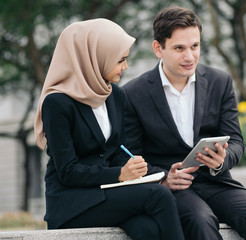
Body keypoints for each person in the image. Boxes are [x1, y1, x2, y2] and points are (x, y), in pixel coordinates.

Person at [122, 6, 246, 240]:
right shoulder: (132, 93)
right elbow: (132, 155)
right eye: (179, 48)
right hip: (171, 188)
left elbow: (236, 140)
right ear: (159, 48)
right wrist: (164, 177)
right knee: (201, 223)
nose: (190, 57)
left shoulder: (220, 82)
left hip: (215, 181)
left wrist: (222, 160)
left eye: (195, 46)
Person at [33, 18, 184, 240]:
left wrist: (156, 174)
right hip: (73, 202)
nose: (125, 67)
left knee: (147, 230)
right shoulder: (57, 103)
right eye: (120, 60)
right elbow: (67, 171)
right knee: (158, 196)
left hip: (107, 193)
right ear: (94, 58)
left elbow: (116, 152)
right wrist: (120, 174)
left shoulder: (114, 94)